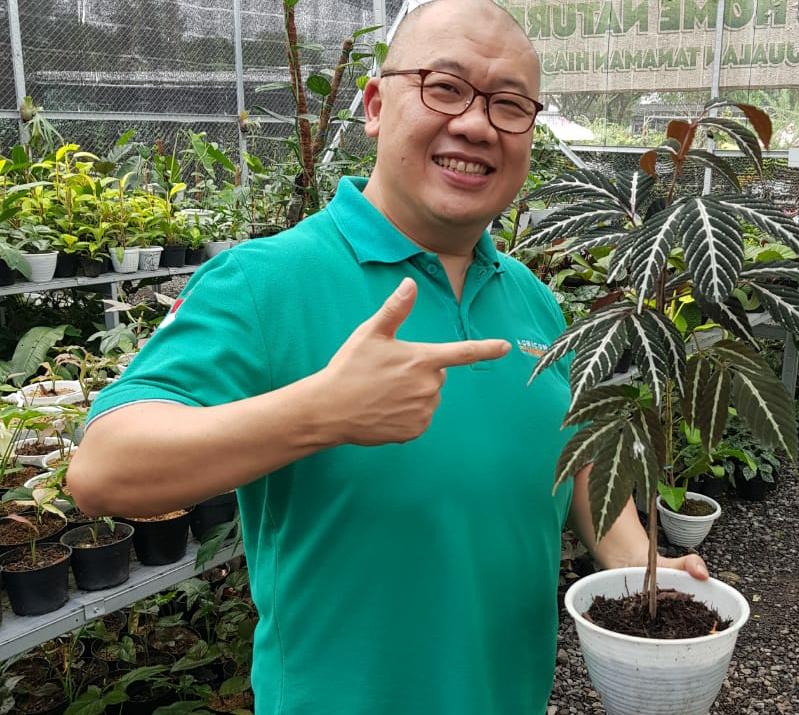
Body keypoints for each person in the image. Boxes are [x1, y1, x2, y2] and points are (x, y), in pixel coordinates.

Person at [69, 1, 708, 713]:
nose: (476, 125)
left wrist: (634, 561)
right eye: (445, 87)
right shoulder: (264, 282)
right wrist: (319, 412)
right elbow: (103, 469)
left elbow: (574, 454)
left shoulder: (531, 299)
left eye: (509, 105)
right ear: (375, 106)